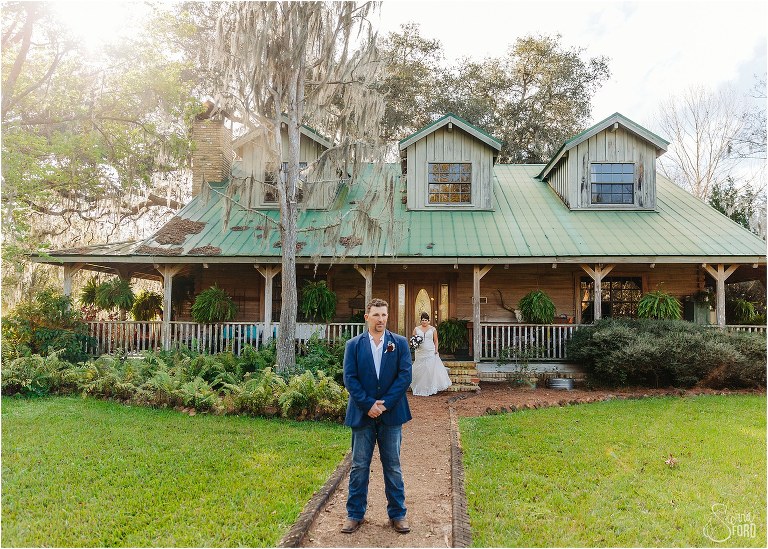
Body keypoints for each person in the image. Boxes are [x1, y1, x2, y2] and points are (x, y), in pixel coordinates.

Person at [341, 298, 412, 535]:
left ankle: (398, 514)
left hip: (391, 414)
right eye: (376, 315)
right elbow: (350, 378)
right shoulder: (353, 345)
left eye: (384, 315)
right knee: (359, 466)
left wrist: (384, 405)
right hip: (362, 414)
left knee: (393, 466)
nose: (381, 319)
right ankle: (355, 514)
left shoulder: (399, 343)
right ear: (367, 317)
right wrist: (368, 404)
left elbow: (404, 377)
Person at [410, 312, 452, 396]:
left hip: (430, 351)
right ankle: (420, 387)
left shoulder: (433, 329)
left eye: (426, 320)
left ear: (429, 321)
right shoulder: (416, 329)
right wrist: (415, 345)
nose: (424, 322)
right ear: (420, 321)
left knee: (430, 370)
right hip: (420, 352)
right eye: (422, 320)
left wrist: (436, 350)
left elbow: (436, 340)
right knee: (420, 369)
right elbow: (413, 340)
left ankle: (430, 388)